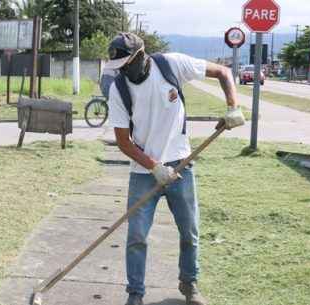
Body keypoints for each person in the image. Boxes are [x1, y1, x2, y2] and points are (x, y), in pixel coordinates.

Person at [104, 33, 246, 305]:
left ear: (140, 56)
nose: (122, 70)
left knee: (189, 231)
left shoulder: (171, 65)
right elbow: (123, 141)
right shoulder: (118, 89)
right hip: (144, 172)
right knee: (136, 235)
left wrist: (232, 107)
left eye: (125, 63)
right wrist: (155, 167)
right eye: (117, 66)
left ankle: (189, 284)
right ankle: (135, 294)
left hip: (182, 165)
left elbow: (223, 72)